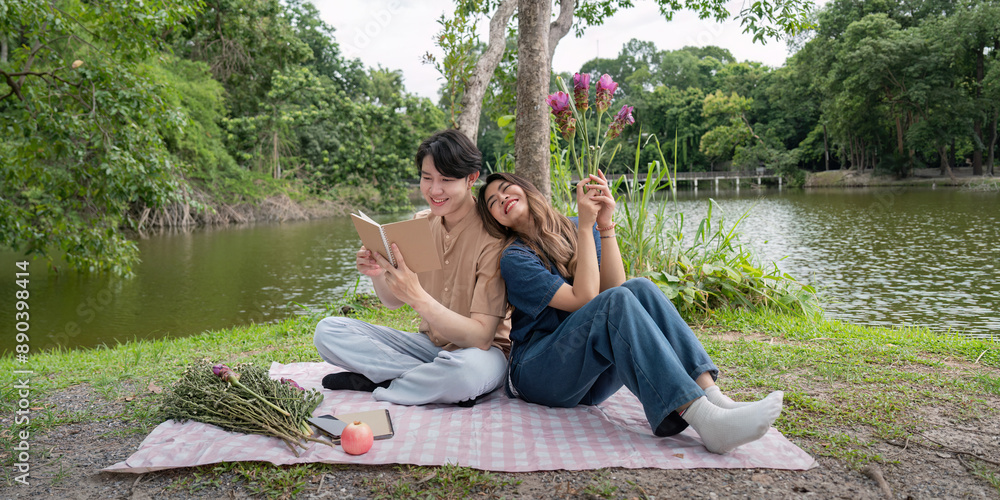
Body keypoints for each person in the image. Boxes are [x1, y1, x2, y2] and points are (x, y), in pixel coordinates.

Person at [475, 171, 783, 454]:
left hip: (587, 378)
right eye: (492, 201)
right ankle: (706, 421)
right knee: (617, 301)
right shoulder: (514, 258)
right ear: (496, 220)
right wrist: (586, 225)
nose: (502, 198)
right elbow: (585, 299)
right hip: (539, 373)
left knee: (640, 287)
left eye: (505, 189)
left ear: (526, 189)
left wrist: (604, 224)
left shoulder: (572, 226)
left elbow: (615, 286)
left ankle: (715, 400)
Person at [314, 130, 510, 406]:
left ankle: (386, 383)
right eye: (427, 178)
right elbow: (391, 301)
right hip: (428, 347)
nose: (434, 190)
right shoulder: (420, 224)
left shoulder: (494, 237)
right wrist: (377, 271)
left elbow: (481, 336)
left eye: (446, 180)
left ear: (472, 179)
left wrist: (417, 296)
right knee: (327, 332)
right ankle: (426, 382)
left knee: (466, 374)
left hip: (482, 353)